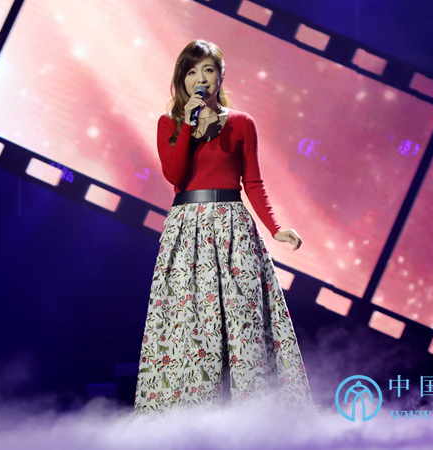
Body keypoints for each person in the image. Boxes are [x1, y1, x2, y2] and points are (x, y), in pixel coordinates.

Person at [134, 39, 313, 414]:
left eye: (208, 70)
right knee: (189, 324)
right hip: (187, 232)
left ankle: (253, 414)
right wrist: (189, 126)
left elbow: (254, 183)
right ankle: (187, 414)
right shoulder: (170, 123)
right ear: (181, 79)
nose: (201, 78)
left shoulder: (242, 124)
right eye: (192, 71)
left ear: (221, 76)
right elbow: (175, 175)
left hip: (233, 230)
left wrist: (275, 228)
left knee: (243, 322)